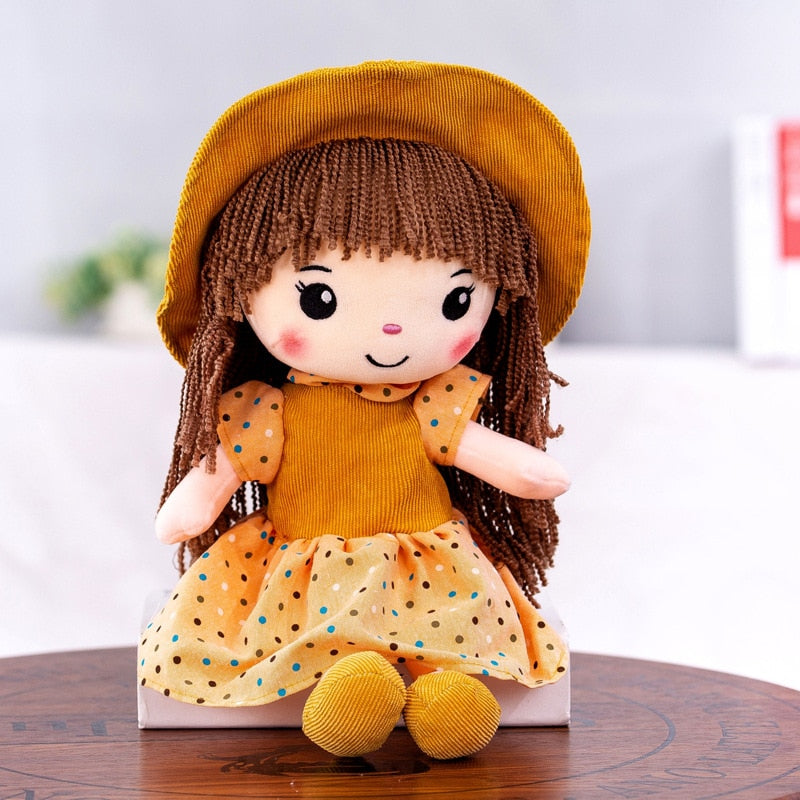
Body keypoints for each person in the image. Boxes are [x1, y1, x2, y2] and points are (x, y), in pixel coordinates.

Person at [139, 61, 590, 760]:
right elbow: (206, 492)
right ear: (238, 286)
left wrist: (533, 472)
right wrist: (192, 504)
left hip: (427, 565)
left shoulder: (433, 404)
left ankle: (441, 698)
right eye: (319, 299)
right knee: (304, 643)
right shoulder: (268, 410)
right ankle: (355, 693)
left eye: (453, 301)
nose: (390, 331)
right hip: (300, 569)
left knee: (446, 634)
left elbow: (517, 468)